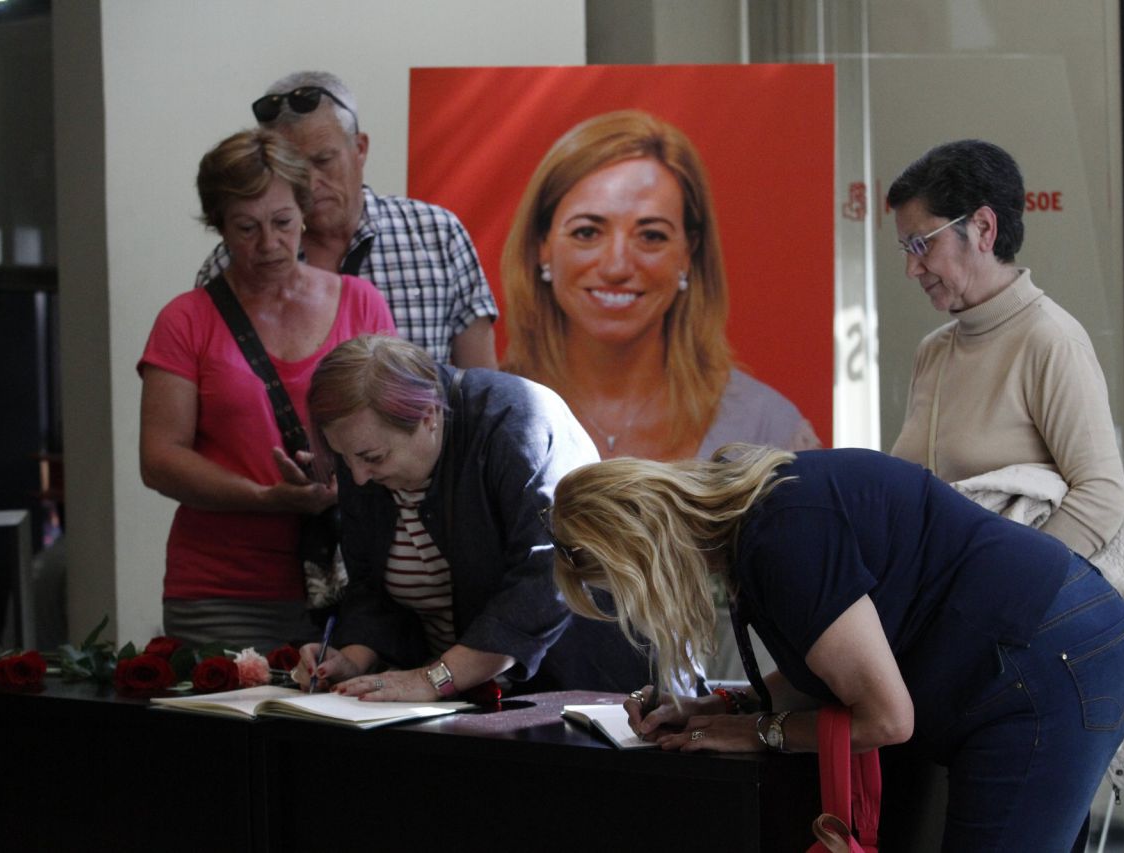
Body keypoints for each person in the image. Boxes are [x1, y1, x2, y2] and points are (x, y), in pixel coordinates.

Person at [546, 444, 1124, 851]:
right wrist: (720, 708)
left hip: (1047, 665)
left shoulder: (781, 536)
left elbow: (887, 717)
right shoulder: (752, 516)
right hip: (1040, 652)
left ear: (641, 556)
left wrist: (757, 730)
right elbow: (831, 668)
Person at [138, 129, 395, 648]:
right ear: (218, 227)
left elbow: (400, 428)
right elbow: (160, 458)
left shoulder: (361, 303)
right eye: (246, 228)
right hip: (224, 588)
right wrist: (266, 498)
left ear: (304, 212)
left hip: (355, 584)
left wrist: (342, 485)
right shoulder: (185, 320)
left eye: (282, 223)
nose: (269, 244)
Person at [294, 334, 650, 700]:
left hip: (591, 688)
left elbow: (547, 579)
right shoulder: (364, 451)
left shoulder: (517, 422)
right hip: (472, 699)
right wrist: (352, 660)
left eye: (373, 458)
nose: (357, 477)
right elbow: (371, 588)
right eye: (343, 457)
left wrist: (432, 679)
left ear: (428, 416)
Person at [501, 109, 818, 461]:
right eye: (587, 233)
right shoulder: (485, 419)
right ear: (542, 245)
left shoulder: (766, 428)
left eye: (651, 236)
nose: (617, 266)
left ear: (688, 252)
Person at [888, 138, 1124, 558]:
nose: (911, 268)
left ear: (983, 228)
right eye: (907, 249)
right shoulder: (934, 350)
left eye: (923, 245)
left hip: (1006, 610)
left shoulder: (1051, 340)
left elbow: (1101, 498)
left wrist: (1004, 589)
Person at [195, 70, 498, 369]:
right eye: (294, 169)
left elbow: (482, 394)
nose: (310, 183)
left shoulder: (437, 235)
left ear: (360, 149)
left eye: (323, 160)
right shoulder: (238, 261)